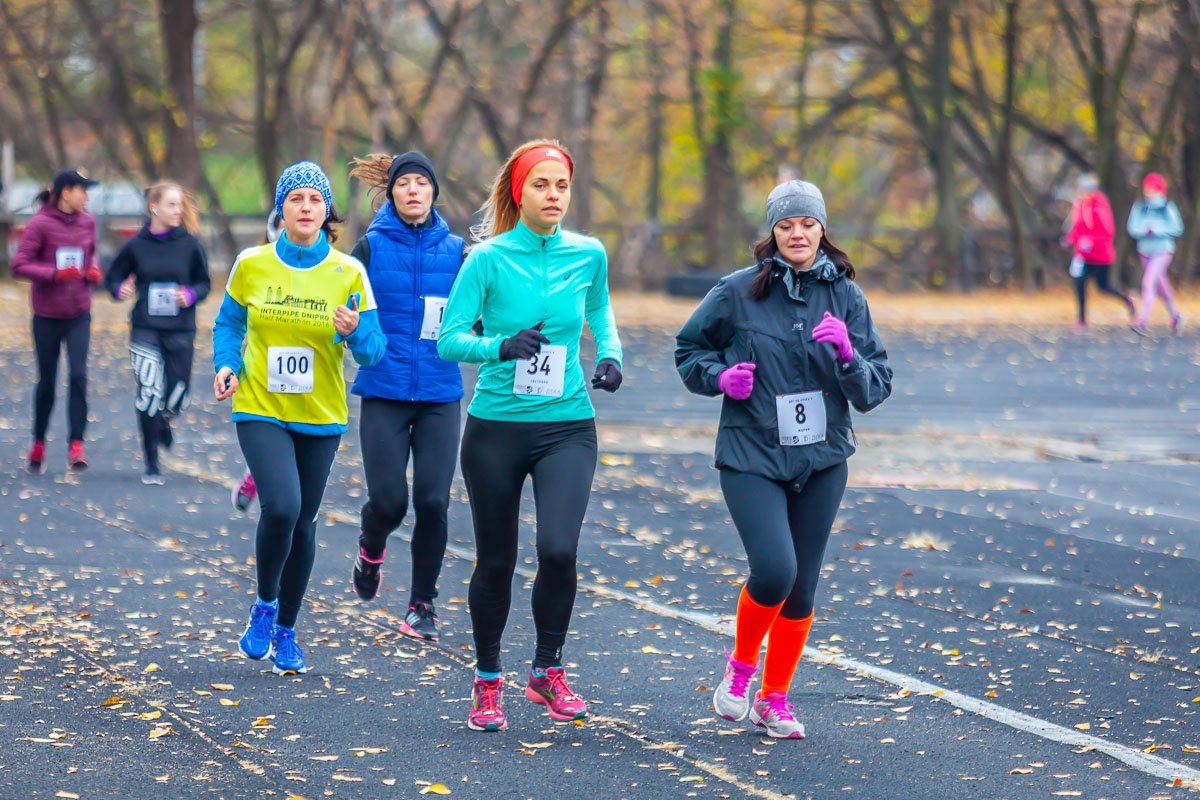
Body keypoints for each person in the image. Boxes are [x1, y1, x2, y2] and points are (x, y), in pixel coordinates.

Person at [675, 179, 892, 739]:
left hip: (823, 458)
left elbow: (875, 387)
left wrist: (847, 354)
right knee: (775, 570)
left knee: (803, 586)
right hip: (753, 453)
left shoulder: (846, 294)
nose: (798, 233)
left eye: (808, 224)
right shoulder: (736, 291)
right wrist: (720, 376)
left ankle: (776, 699)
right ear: (771, 232)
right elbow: (688, 350)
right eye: (786, 225)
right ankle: (741, 670)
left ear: (823, 229)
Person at [437, 139, 623, 732]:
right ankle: (487, 680)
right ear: (520, 192)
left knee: (559, 550)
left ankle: (547, 669)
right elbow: (447, 338)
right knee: (496, 560)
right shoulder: (487, 259)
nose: (553, 195)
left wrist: (611, 357)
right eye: (541, 185)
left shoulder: (588, 253)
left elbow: (601, 314)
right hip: (496, 428)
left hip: (567, 424)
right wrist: (500, 345)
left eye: (562, 185)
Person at [212, 161, 386, 675]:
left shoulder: (348, 273)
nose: (306, 208)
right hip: (261, 406)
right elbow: (229, 323)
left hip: (321, 415)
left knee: (305, 523)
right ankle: (264, 607)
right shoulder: (252, 264)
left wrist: (355, 330)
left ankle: (287, 628)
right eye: (296, 199)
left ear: (326, 211)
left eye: (315, 200)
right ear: (281, 210)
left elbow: (375, 352)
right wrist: (227, 363)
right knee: (282, 506)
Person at [345, 151, 466, 641]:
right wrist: (347, 327)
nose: (413, 190)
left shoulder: (459, 252)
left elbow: (479, 316)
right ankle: (371, 548)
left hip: (440, 393)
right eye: (404, 183)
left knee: (434, 501)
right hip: (385, 390)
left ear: (434, 192)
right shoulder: (369, 249)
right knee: (389, 501)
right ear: (391, 193)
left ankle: (422, 605)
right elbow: (344, 309)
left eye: (422, 182)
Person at [104, 183, 210, 484]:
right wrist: (119, 288)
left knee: (178, 395)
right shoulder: (136, 245)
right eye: (172, 205)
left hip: (180, 329)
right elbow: (113, 278)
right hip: (145, 328)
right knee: (149, 392)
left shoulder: (191, 245)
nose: (179, 210)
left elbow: (204, 284)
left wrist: (189, 294)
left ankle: (164, 420)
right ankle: (151, 461)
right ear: (155, 207)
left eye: (180, 205)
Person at [12, 169, 103, 473]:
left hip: (79, 312)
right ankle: (38, 441)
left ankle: (76, 444)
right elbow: (19, 264)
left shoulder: (88, 221)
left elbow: (91, 256)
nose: (86, 196)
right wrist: (53, 273)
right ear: (66, 192)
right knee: (47, 381)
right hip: (47, 315)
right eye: (83, 190)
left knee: (78, 375)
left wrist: (93, 271)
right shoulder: (40, 224)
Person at [231, 210, 283, 512]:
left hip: (312, 375)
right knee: (268, 428)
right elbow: (232, 319)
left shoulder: (331, 266)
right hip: (264, 365)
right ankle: (256, 473)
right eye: (279, 224)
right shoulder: (254, 263)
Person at [1064, 174, 1134, 333]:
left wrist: (1090, 242)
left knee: (1103, 287)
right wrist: (1070, 239)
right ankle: (1081, 320)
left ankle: (1127, 301)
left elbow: (1108, 232)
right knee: (1079, 283)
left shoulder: (1100, 207)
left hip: (1100, 256)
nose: (1079, 192)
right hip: (1083, 255)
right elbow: (1078, 228)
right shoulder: (1080, 206)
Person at [1127, 172, 1184, 336]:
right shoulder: (1140, 207)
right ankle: (1175, 315)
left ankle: (1142, 320)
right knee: (1161, 285)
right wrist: (1145, 231)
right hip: (1145, 250)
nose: (1148, 192)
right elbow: (1132, 228)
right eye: (1147, 188)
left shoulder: (1167, 207)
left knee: (1148, 282)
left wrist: (1157, 231)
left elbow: (1177, 228)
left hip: (1163, 250)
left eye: (1152, 189)